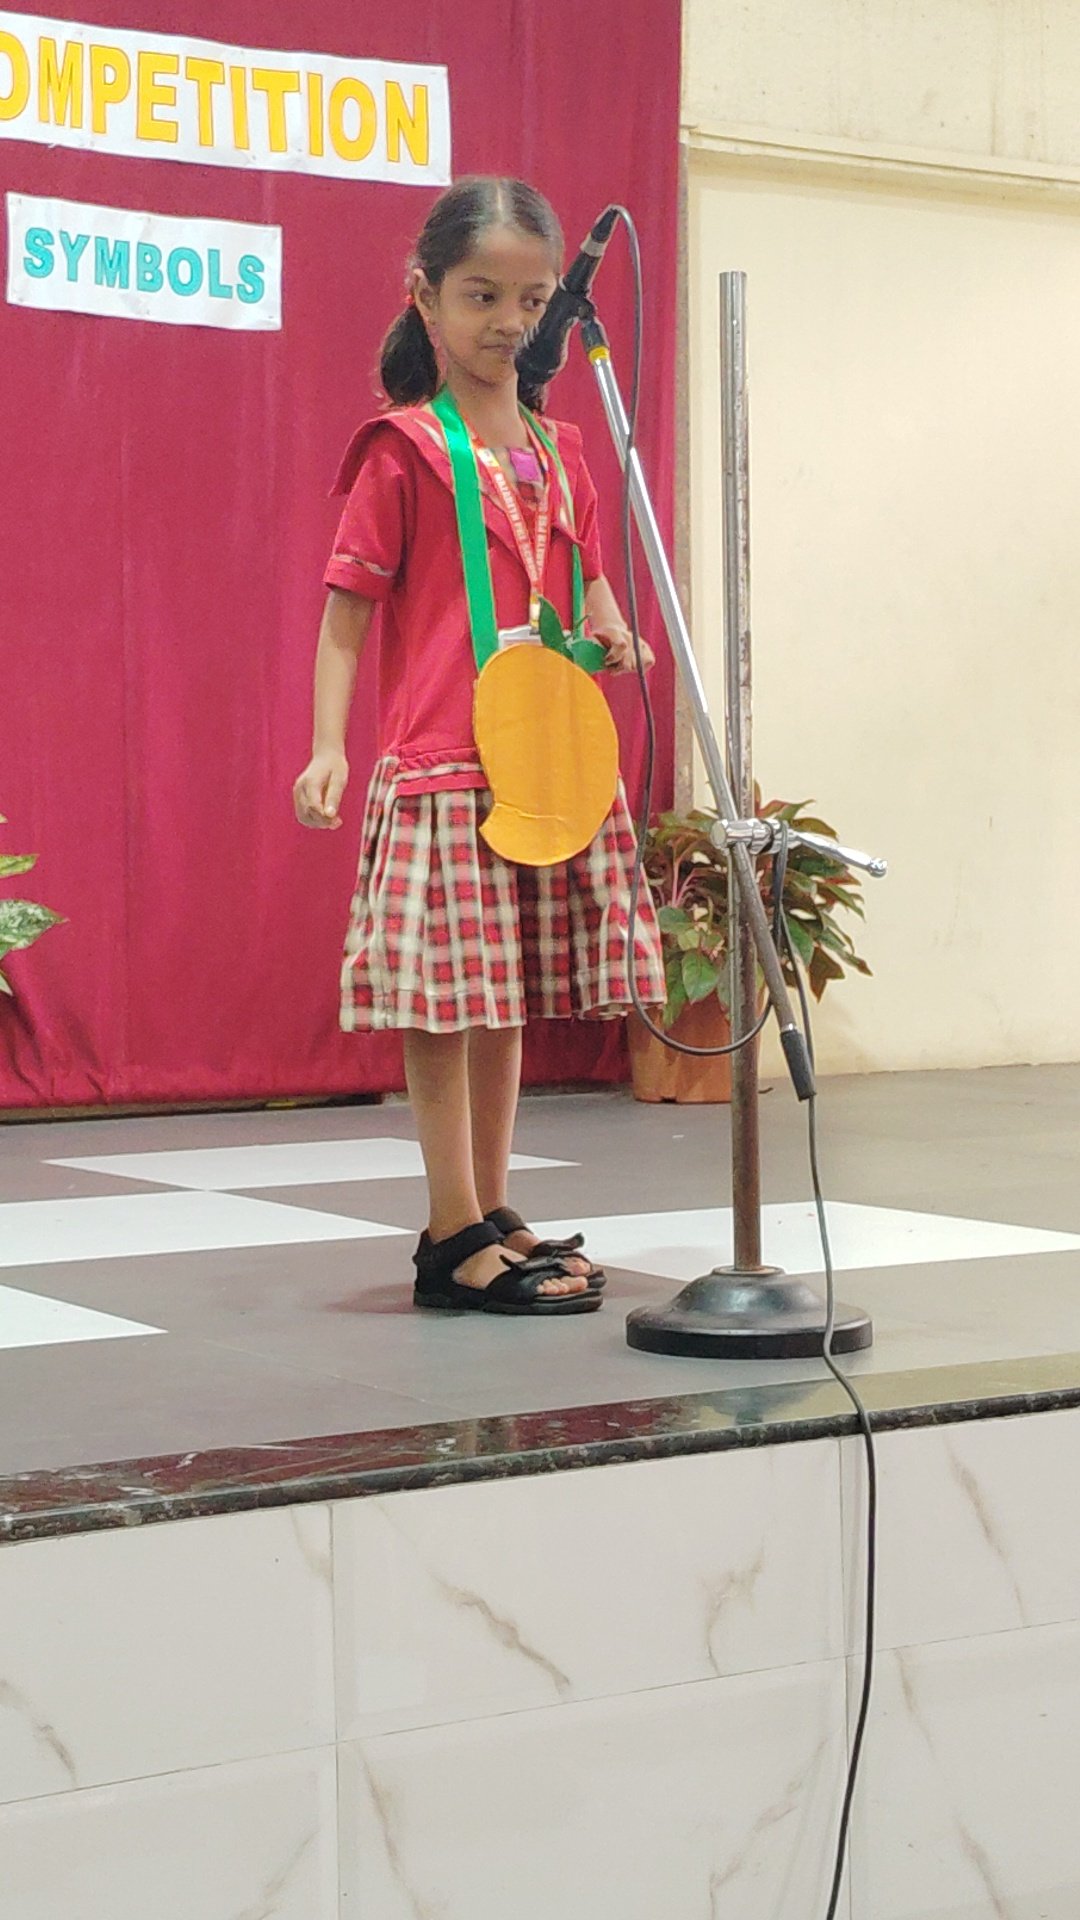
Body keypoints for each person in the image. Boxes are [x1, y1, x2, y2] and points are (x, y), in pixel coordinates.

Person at [292, 175, 664, 1317]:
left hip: (539, 758)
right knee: (446, 1006)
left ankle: (492, 1211)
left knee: (504, 1000)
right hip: (444, 763)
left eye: (532, 299)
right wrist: (327, 746)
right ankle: (449, 1228)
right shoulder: (403, 449)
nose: (509, 321)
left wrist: (612, 628)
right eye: (481, 295)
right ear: (426, 297)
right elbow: (347, 611)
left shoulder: (561, 450)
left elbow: (586, 578)